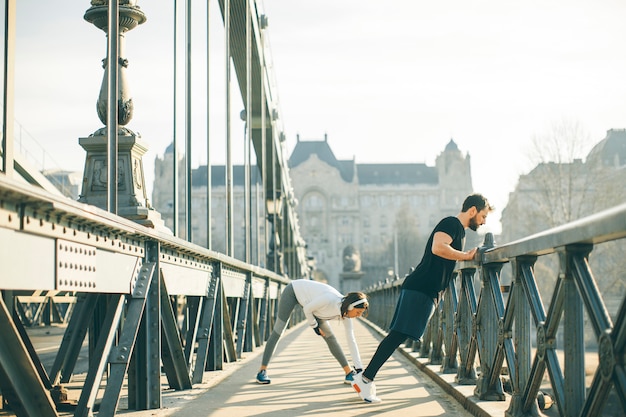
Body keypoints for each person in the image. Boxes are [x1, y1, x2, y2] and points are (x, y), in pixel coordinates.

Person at [351, 193, 494, 403]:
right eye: (483, 216)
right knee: (397, 335)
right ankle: (365, 379)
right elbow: (438, 248)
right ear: (472, 210)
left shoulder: (458, 230)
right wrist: (465, 256)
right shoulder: (452, 223)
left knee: (397, 335)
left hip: (423, 288)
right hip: (421, 288)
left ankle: (365, 378)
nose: (483, 222)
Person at [256, 279, 369, 385]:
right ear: (350, 307)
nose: (359, 316)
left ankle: (349, 373)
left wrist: (359, 368)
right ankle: (262, 371)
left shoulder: (346, 315)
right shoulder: (329, 300)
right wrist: (315, 327)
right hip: (294, 291)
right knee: (278, 330)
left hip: (315, 308)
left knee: (330, 337)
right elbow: (307, 309)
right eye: (358, 312)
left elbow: (351, 339)